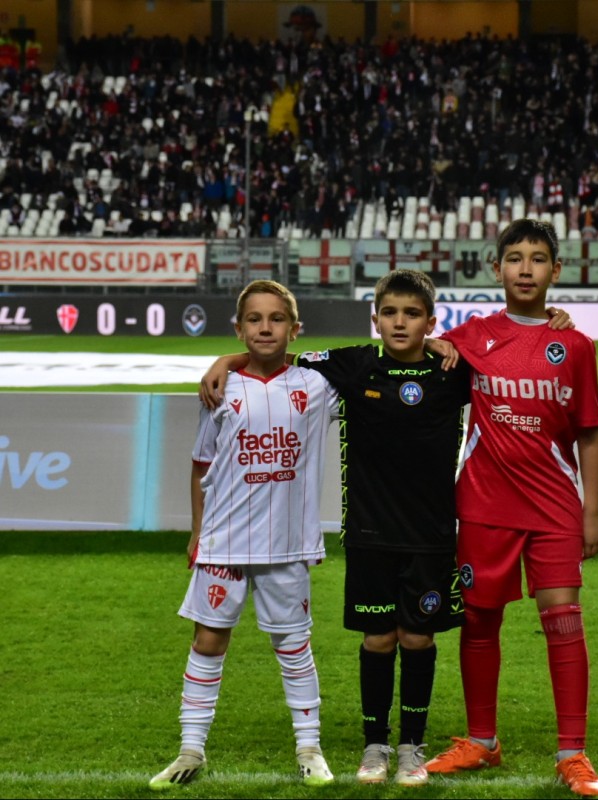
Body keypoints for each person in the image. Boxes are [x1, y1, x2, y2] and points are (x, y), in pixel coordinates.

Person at [198, 269, 574, 787]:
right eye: (391, 313)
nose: (401, 323)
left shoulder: (453, 371)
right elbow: (275, 359)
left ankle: (411, 748)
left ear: (431, 322)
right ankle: (374, 746)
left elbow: (511, 361)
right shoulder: (352, 366)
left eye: (413, 314)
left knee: (417, 640)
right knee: (379, 640)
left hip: (433, 535)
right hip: (371, 534)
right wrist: (228, 359)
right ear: (375, 320)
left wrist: (551, 325)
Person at [423, 218, 598, 796]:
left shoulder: (574, 345)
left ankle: (572, 754)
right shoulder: (472, 336)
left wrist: (592, 512)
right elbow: (412, 342)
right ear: (496, 268)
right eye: (514, 258)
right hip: (482, 504)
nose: (525, 268)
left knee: (563, 620)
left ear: (556, 270)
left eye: (537, 258)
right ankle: (482, 742)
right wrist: (230, 361)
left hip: (554, 507)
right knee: (479, 619)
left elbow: (589, 434)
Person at [149, 280, 338, 791]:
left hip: (287, 543)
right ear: (238, 327)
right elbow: (200, 465)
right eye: (253, 320)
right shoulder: (219, 390)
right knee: (208, 641)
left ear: (294, 329)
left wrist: (227, 356)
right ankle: (190, 748)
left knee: (294, 645)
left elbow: (375, 357)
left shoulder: (316, 385)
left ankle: (309, 747)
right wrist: (197, 532)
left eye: (276, 319)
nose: (264, 328)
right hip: (224, 540)